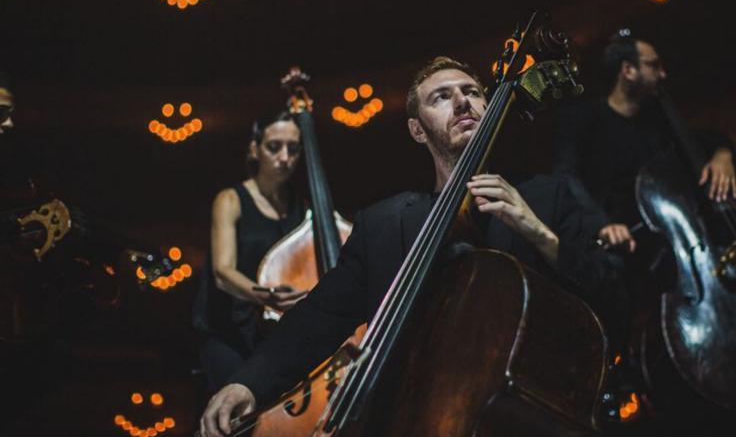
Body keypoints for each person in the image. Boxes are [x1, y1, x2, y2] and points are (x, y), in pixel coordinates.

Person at [198, 56, 613, 436]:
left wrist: (538, 232)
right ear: (417, 129)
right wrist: (247, 382)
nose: (462, 102)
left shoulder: (545, 197)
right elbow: (319, 317)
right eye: (442, 97)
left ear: (491, 109)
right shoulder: (383, 223)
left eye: (472, 92)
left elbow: (609, 294)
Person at [554, 30, 736, 252]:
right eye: (654, 66)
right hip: (618, 244)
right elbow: (566, 177)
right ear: (628, 70)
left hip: (666, 243)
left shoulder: (657, 121)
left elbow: (706, 139)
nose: (663, 74)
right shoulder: (583, 118)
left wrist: (722, 154)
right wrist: (602, 224)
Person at [192, 110, 308, 394]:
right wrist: (267, 296)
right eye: (274, 147)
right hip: (228, 334)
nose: (284, 157)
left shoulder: (303, 209)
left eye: (293, 149)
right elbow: (223, 272)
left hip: (273, 335)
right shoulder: (231, 199)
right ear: (255, 150)